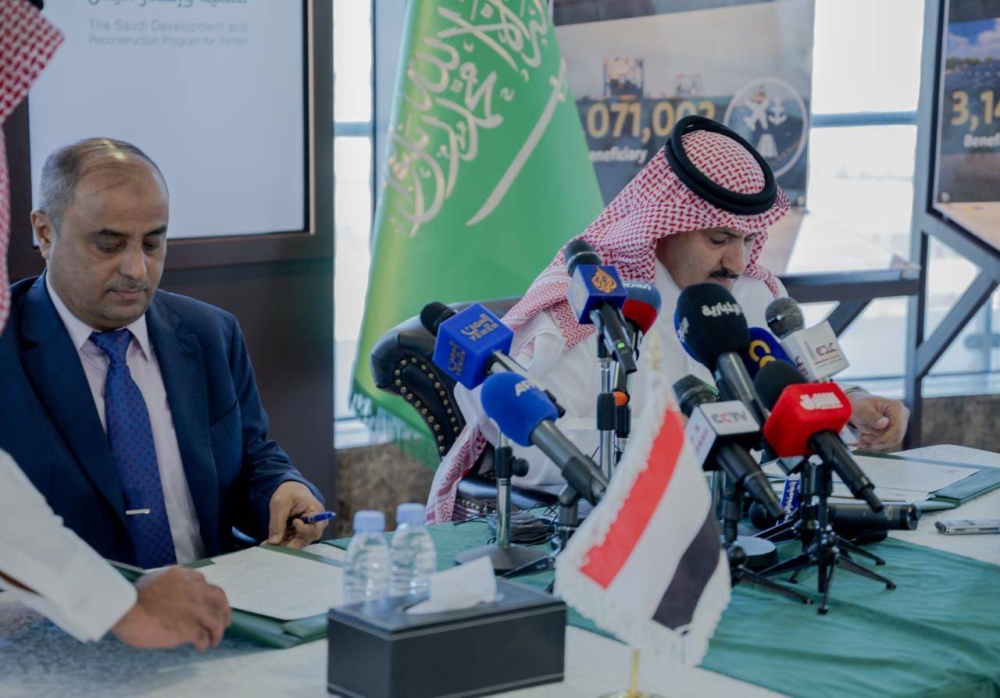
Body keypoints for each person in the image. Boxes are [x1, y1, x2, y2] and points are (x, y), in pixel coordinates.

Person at [426, 116, 909, 523]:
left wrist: (852, 407)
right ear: (666, 224)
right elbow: (526, 447)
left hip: (743, 523)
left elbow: (791, 388)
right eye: (718, 240)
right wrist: (669, 445)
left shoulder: (755, 294)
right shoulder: (589, 308)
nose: (737, 262)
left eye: (747, 240)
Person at [0, 137, 328, 568]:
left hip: (213, 594)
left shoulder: (210, 334)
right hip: (75, 605)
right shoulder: (7, 346)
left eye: (153, 244)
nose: (137, 269)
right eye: (109, 245)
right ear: (45, 232)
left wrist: (283, 488)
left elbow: (250, 456)